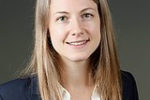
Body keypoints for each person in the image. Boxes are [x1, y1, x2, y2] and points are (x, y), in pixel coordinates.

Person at [0, 0, 139, 100]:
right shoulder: (9, 95)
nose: (77, 30)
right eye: (62, 18)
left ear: (101, 21)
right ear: (46, 28)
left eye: (86, 15)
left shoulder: (125, 85)